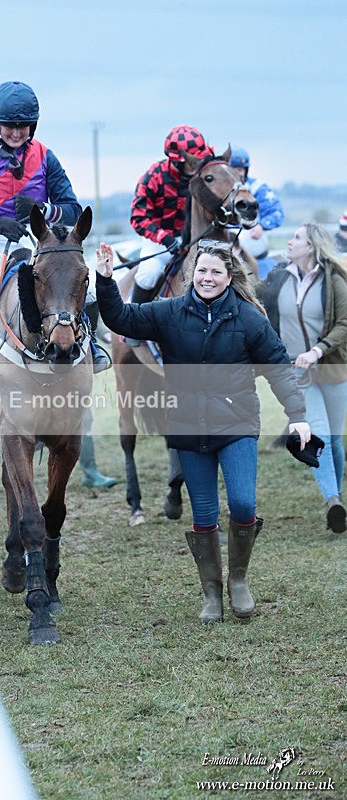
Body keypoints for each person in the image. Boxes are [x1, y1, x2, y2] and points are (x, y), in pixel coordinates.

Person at [95, 239, 310, 623]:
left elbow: (278, 366)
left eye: (216, 272)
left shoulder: (248, 318)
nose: (207, 278)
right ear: (192, 274)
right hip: (189, 429)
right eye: (202, 271)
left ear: (229, 278)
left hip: (237, 424)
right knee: (204, 515)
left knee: (243, 504)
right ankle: (211, 592)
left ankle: (238, 581)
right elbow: (121, 319)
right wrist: (106, 279)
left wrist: (297, 413)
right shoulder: (169, 312)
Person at [0, 80, 109, 378]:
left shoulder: (46, 157)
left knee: (88, 290)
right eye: (8, 126)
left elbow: (72, 209)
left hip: (39, 241)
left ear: (33, 125)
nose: (16, 132)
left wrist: (42, 210)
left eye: (23, 125)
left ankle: (91, 345)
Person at [258, 223, 347, 533]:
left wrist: (318, 351)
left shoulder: (334, 279)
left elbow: (344, 324)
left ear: (311, 246)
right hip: (296, 371)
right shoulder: (279, 276)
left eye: (297, 238)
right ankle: (333, 501)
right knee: (317, 433)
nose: (291, 242)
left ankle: (336, 495)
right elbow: (253, 295)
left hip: (332, 368)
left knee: (334, 440)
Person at [129, 125, 214, 306]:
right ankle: (132, 326)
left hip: (196, 238)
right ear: (176, 161)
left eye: (199, 160)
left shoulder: (205, 174)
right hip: (160, 239)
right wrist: (165, 238)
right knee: (148, 274)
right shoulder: (154, 176)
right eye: (192, 162)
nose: (197, 166)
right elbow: (138, 217)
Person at [229, 146, 285, 279]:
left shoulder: (257, 188)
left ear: (245, 170)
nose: (237, 174)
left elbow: (277, 212)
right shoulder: (220, 189)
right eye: (232, 170)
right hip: (225, 241)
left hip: (250, 242)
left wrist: (261, 225)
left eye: (240, 169)